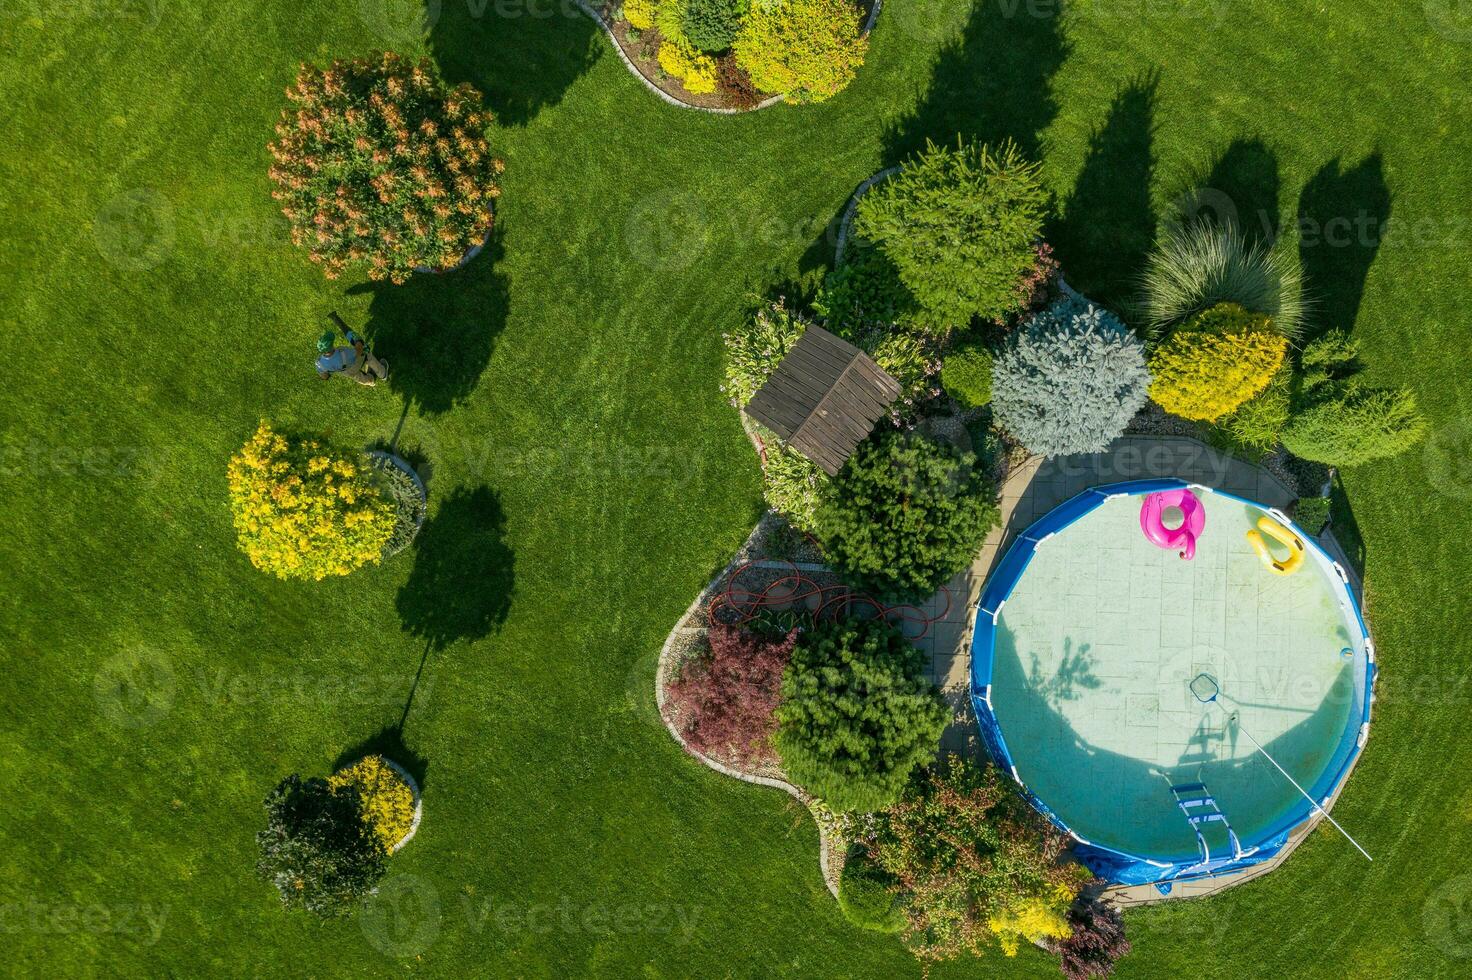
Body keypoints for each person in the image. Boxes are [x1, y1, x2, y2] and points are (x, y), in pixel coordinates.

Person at [315, 327, 389, 386]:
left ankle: (371, 381)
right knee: (367, 354)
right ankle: (382, 373)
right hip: (353, 363)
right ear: (331, 347)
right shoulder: (343, 353)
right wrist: (358, 340)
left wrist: (328, 374)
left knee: (356, 376)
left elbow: (324, 376)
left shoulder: (319, 363)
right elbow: (359, 351)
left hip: (345, 371)